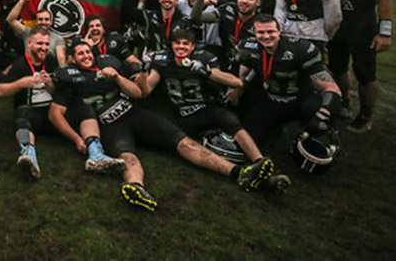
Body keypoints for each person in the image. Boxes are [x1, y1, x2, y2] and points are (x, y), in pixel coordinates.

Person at [52, 41, 275, 211]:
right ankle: (135, 187)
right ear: (72, 59)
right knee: (127, 154)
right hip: (109, 125)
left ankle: (238, 173)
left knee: (183, 142)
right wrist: (77, 139)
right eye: (80, 53)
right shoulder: (67, 80)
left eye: (88, 51)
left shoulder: (108, 66)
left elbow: (138, 92)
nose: (86, 55)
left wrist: (118, 78)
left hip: (134, 114)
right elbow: (55, 114)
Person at [137, 28, 269, 164]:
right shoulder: (162, 60)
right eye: (177, 43)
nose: (181, 47)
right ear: (171, 44)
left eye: (185, 43)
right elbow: (145, 90)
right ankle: (235, 169)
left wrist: (207, 71)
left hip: (207, 108)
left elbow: (237, 82)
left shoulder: (204, 57)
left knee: (231, 121)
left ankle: (259, 159)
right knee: (172, 142)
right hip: (183, 114)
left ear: (193, 46)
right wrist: (143, 70)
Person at [316, 0, 392, 132]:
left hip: (361, 24)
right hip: (335, 24)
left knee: (365, 73)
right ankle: (344, 102)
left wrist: (384, 31)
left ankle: (366, 114)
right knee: (337, 67)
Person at [226, 15, 343, 144]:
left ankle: (321, 133)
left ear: (279, 31)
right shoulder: (248, 47)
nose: (266, 36)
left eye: (270, 31)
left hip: (299, 100)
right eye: (260, 32)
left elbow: (331, 88)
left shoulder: (300, 49)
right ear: (254, 33)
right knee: (249, 137)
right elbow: (243, 75)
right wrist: (238, 88)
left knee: (314, 111)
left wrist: (323, 114)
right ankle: (274, 128)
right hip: (271, 100)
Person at [0, 28, 59, 180]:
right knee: (22, 116)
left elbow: (59, 92)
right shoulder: (20, 65)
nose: (44, 47)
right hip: (31, 115)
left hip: (52, 114)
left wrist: (50, 84)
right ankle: (29, 156)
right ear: (29, 43)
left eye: (46, 44)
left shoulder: (50, 60)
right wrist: (21, 83)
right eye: (40, 43)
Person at [6, 0, 67, 64]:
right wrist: (22, 0)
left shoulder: (58, 38)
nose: (43, 22)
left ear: (51, 22)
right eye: (40, 19)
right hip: (28, 70)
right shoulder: (28, 32)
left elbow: (61, 59)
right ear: (35, 22)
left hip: (48, 71)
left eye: (46, 19)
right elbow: (11, 20)